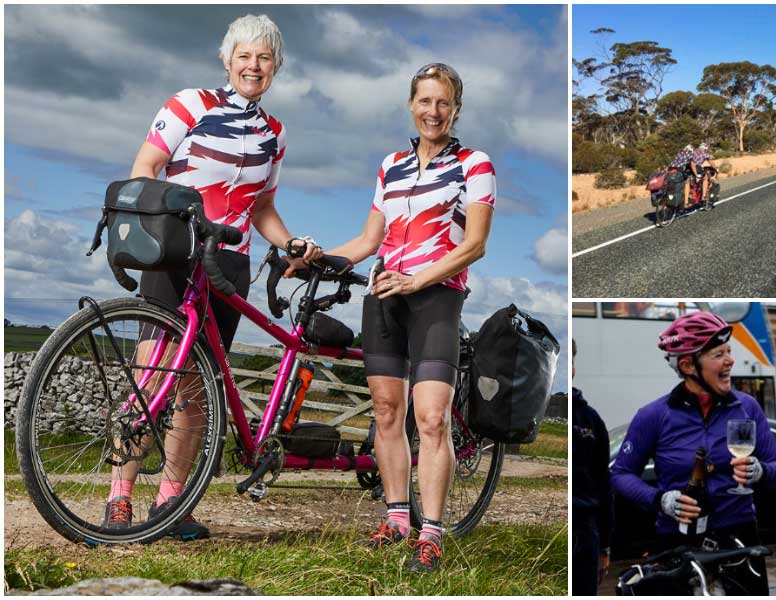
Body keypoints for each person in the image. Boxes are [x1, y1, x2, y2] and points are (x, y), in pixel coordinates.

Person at [104, 14, 322, 540]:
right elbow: (145, 167)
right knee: (151, 374)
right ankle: (120, 500)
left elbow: (263, 206)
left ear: (276, 68)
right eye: (244, 55)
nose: (254, 65)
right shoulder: (189, 105)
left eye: (264, 58)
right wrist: (166, 222)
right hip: (175, 256)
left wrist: (287, 241)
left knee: (199, 389)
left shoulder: (274, 133)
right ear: (227, 60)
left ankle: (170, 504)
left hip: (230, 264)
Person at [318, 62, 495, 573]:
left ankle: (432, 531)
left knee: (432, 417)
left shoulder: (474, 163)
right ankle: (397, 520)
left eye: (443, 103)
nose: (432, 111)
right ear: (410, 105)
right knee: (387, 412)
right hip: (384, 294)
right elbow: (369, 241)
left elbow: (475, 244)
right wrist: (316, 257)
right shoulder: (390, 164)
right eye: (424, 101)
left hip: (436, 296)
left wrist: (419, 280)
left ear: (456, 108)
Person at [611, 311, 776, 595]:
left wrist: (761, 471)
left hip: (738, 535)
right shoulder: (653, 415)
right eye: (719, 354)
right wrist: (661, 500)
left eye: (729, 351)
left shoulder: (748, 407)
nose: (730, 360)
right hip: (678, 541)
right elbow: (621, 474)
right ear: (688, 365)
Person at [571, 339, 613, 595]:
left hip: (586, 534)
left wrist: (605, 547)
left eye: (572, 362)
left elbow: (604, 484)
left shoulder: (591, 419)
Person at [668, 144, 699, 211]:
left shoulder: (679, 153)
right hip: (679, 170)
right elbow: (692, 165)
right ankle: (686, 202)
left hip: (670, 169)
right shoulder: (690, 155)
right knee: (687, 181)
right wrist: (696, 175)